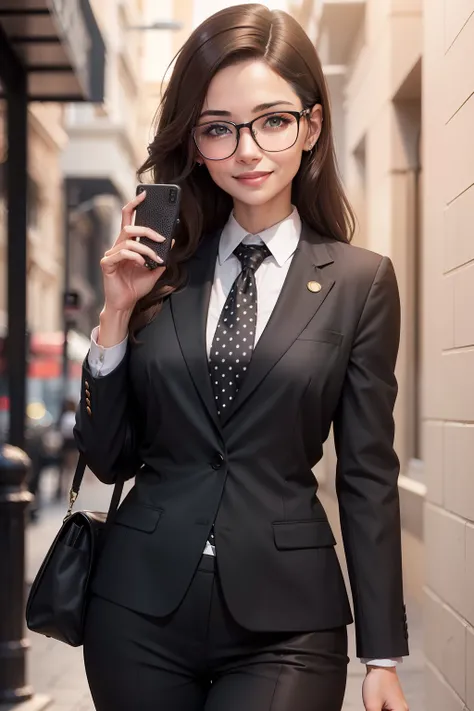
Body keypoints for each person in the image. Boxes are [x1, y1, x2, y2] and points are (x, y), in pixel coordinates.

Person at [74, 5, 409, 710]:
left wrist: (382, 653)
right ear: (194, 143)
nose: (247, 150)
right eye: (219, 128)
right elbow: (109, 457)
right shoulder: (160, 273)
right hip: (138, 608)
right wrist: (114, 315)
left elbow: (368, 472)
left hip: (289, 621)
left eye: (273, 120)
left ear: (311, 126)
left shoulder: (360, 281)